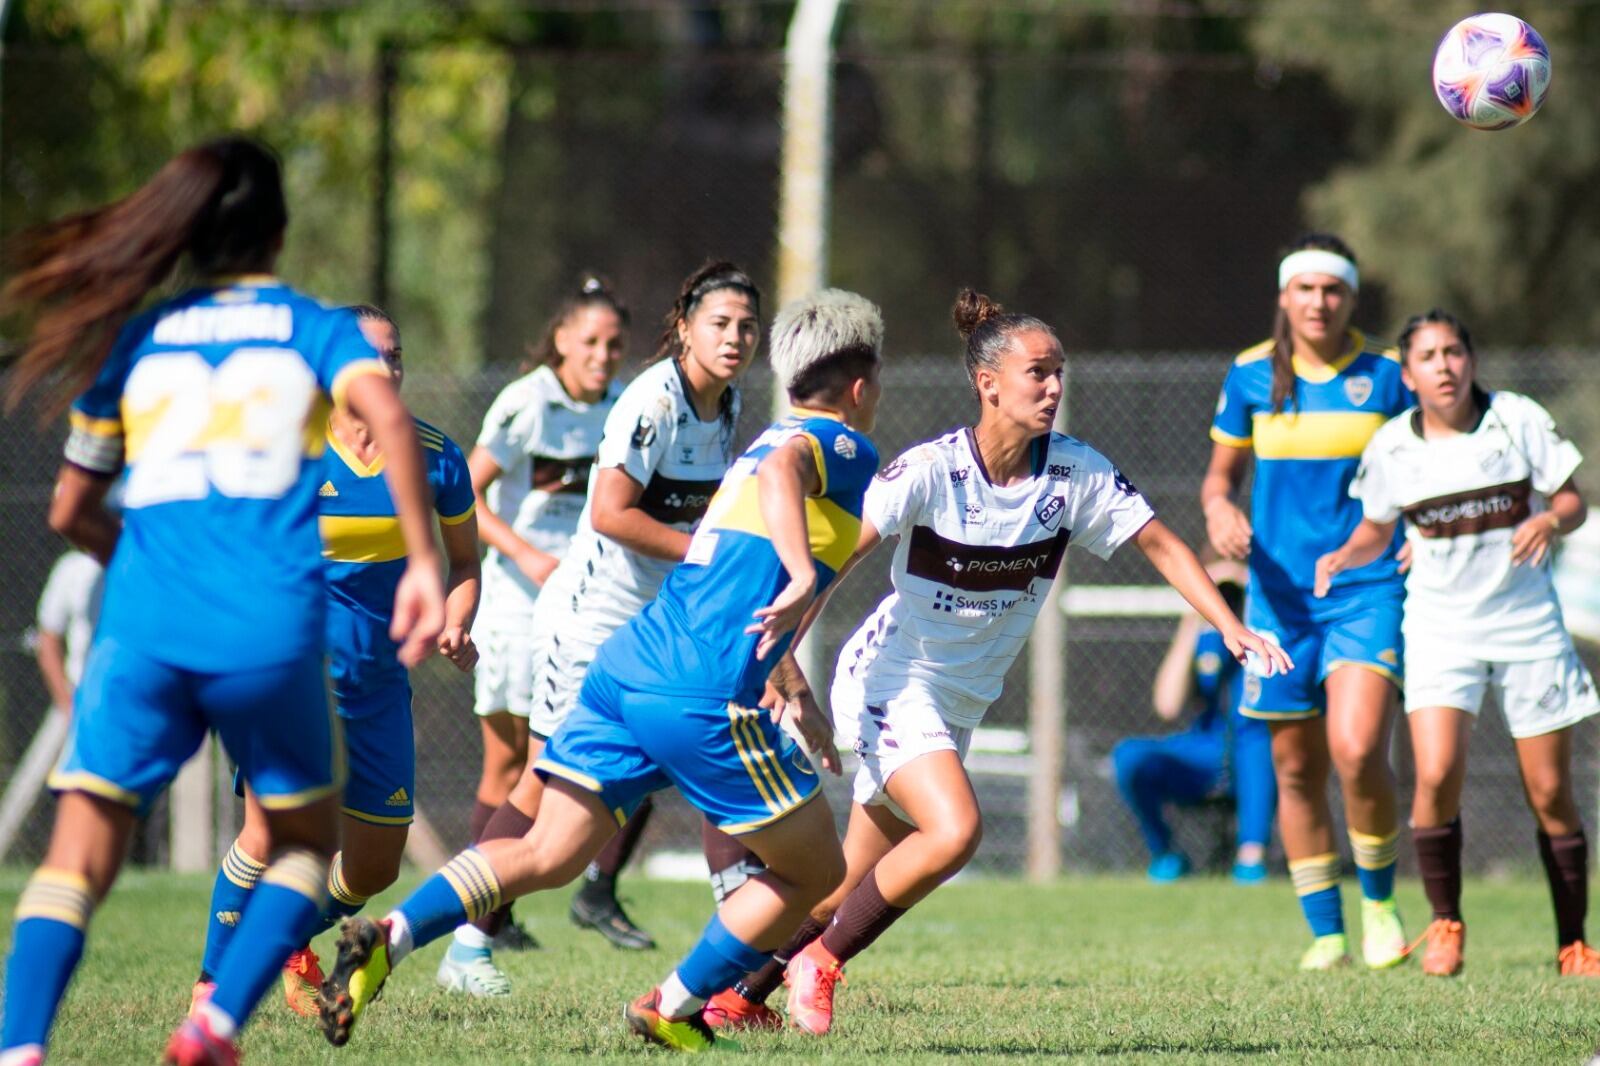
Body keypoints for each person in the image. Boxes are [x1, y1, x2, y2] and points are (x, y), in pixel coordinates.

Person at [317, 288, 886, 1054]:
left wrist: (798, 692)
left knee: (549, 853)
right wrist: (798, 570)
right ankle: (675, 1005)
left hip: (630, 665)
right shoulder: (838, 445)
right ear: (860, 385)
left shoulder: (749, 441)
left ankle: (393, 934)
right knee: (818, 866)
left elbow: (740, 588)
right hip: (700, 693)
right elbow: (788, 479)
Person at [712, 289, 1291, 1037]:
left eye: (1059, 374)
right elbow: (825, 570)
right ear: (988, 383)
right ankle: (819, 963)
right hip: (893, 680)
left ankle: (731, 994)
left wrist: (1229, 627)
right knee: (954, 831)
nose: (1053, 389)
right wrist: (782, 667)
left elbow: (1161, 545)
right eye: (1037, 374)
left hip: (958, 702)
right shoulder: (929, 471)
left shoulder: (1074, 475)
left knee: (843, 883)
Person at [0, 137, 445, 1066]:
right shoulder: (308, 325)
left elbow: (70, 510)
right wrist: (424, 566)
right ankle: (211, 1024)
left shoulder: (141, 337)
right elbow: (392, 418)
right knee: (299, 845)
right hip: (267, 624)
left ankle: (20, 1051)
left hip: (144, 624)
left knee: (73, 861)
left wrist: (154, 567)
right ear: (278, 233)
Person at [438, 261, 766, 995]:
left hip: (655, 625)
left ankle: (709, 939)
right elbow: (611, 514)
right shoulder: (650, 402)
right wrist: (708, 553)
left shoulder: (730, 402)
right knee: (537, 780)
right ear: (684, 327)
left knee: (677, 759)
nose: (736, 337)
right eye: (719, 323)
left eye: (747, 325)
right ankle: (464, 941)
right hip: (585, 620)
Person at [190, 304, 481, 1018]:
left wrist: (457, 615)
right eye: (369, 354)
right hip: (290, 680)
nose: (386, 368)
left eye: (396, 355)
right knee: (267, 834)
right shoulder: (289, 445)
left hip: (380, 685)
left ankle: (288, 937)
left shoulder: (436, 453)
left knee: (376, 865)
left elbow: (465, 564)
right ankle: (210, 988)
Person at [1316, 310, 1600, 978]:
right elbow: (1375, 529)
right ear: (1408, 374)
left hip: (1527, 624)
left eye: (1453, 352)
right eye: (1428, 357)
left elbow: (1572, 502)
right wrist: (1341, 558)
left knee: (1551, 790)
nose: (1444, 366)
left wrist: (1549, 522)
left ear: (1470, 361)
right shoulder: (1393, 446)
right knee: (1437, 773)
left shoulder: (1518, 418)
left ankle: (1574, 942)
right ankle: (1445, 924)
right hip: (1442, 627)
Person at [1202, 234, 1413, 971]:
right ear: (1284, 298)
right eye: (1306, 289)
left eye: (1334, 290)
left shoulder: (1387, 376)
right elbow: (1218, 478)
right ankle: (1327, 933)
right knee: (1296, 769)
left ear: (1351, 299)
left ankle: (1381, 904)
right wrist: (1220, 512)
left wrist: (1417, 530)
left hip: (1366, 590)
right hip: (1277, 600)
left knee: (1357, 750)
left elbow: (1426, 465)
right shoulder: (1251, 375)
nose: (1320, 302)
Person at [465, 275, 627, 953]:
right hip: (518, 602)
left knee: (604, 748)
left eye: (614, 343)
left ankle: (586, 892)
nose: (602, 354)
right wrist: (527, 555)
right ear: (561, 340)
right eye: (588, 340)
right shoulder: (525, 404)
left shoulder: (626, 406)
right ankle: (478, 918)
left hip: (590, 603)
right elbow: (464, 495)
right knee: (510, 763)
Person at [1111, 555, 1276, 883]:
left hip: (1262, 752)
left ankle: (1251, 859)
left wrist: (1253, 594)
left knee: (1256, 740)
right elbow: (1167, 705)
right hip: (1207, 748)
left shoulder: (1271, 626)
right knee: (1130, 756)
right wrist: (1196, 613)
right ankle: (1166, 854)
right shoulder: (1204, 636)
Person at [33, 549, 105, 716]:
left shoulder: (144, 568)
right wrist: (67, 704)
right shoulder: (71, 568)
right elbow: (48, 639)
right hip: (78, 694)